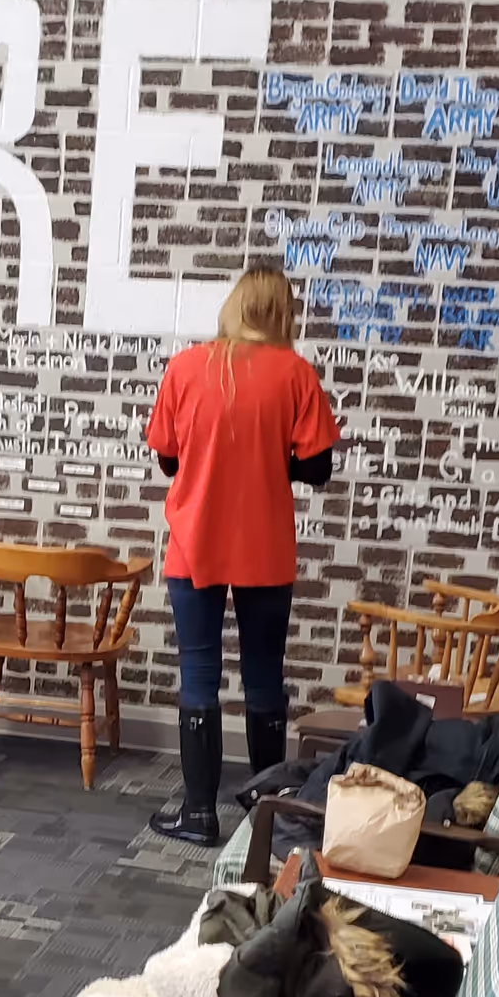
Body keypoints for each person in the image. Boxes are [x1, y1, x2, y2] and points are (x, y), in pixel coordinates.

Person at [145, 264, 339, 845]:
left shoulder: (185, 368)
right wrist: (269, 455)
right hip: (264, 546)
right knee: (263, 676)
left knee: (199, 673)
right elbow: (319, 469)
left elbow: (168, 460)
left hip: (196, 541)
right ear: (283, 314)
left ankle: (198, 815)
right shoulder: (296, 374)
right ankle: (264, 815)